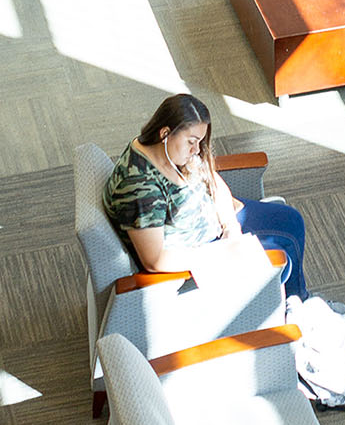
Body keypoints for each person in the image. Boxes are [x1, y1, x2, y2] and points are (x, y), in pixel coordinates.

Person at [102, 93, 311, 301]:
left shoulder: (164, 149)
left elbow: (212, 179)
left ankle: (297, 300)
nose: (196, 150)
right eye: (192, 142)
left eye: (200, 141)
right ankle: (293, 306)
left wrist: (231, 227)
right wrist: (218, 253)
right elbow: (154, 260)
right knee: (282, 253)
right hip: (203, 252)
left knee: (292, 220)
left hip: (220, 226)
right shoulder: (140, 188)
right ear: (165, 133)